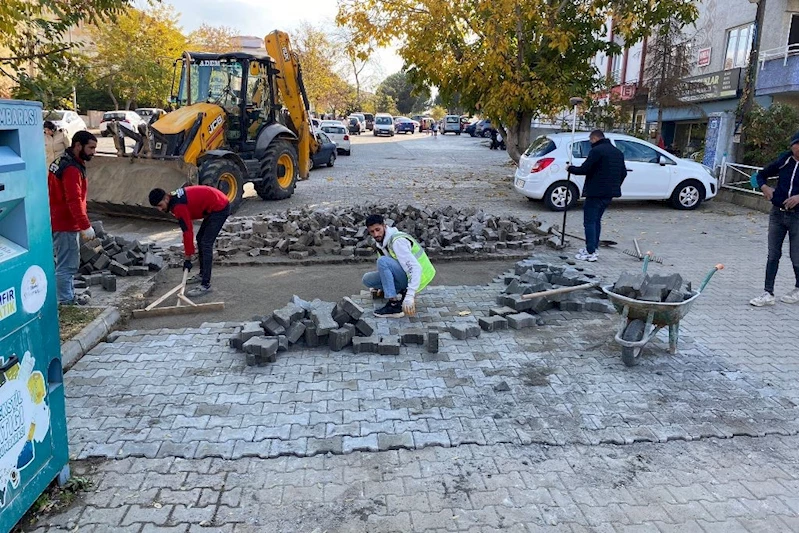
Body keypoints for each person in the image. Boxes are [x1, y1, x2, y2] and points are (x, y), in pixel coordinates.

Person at [148, 185, 231, 297]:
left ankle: (205, 284)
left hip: (219, 206)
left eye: (160, 205)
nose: (160, 209)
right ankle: (202, 274)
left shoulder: (178, 206)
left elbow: (187, 231)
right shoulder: (173, 200)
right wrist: (188, 255)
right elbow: (187, 230)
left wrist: (188, 258)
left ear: (166, 198)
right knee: (200, 238)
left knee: (206, 243)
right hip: (212, 204)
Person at [47, 130, 98, 305]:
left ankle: (68, 296)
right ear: (78, 145)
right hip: (65, 224)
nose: (93, 152)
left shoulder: (63, 161)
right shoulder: (71, 169)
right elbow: (73, 200)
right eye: (90, 147)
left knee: (65, 262)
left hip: (59, 220)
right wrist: (85, 225)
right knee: (67, 265)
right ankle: (66, 301)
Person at [749, 133, 799, 307]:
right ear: (792, 146)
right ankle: (768, 293)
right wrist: (765, 188)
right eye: (798, 144)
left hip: (797, 217)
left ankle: (798, 289)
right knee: (773, 254)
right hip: (777, 214)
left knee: (796, 256)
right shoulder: (784, 160)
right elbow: (760, 175)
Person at [565, 129, 627, 262]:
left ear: (594, 139)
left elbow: (584, 169)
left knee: (589, 221)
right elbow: (623, 173)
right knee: (596, 220)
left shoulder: (597, 151)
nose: (590, 143)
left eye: (590, 141)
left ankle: (590, 251)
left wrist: (570, 168)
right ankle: (594, 246)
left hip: (595, 192)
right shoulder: (618, 152)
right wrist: (614, 185)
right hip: (609, 193)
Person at [361, 214, 436, 318]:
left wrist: (410, 295)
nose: (376, 234)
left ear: (385, 226)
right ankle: (397, 290)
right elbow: (388, 268)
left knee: (382, 261)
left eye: (378, 229)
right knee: (367, 279)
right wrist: (385, 286)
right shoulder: (381, 243)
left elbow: (415, 268)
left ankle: (394, 306)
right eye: (372, 232)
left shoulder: (397, 241)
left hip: (420, 275)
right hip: (404, 275)